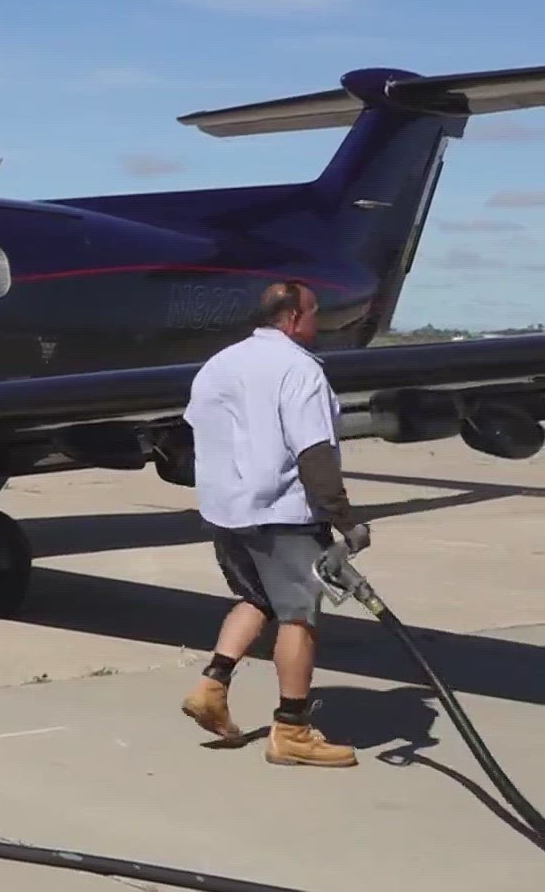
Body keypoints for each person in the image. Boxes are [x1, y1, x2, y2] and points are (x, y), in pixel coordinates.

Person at [178, 280, 373, 767]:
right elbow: (314, 451)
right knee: (299, 616)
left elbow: (195, 428)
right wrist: (344, 519)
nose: (317, 321)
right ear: (291, 318)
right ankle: (292, 729)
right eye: (313, 312)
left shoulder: (219, 364)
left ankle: (211, 685)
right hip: (282, 513)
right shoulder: (298, 369)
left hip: (226, 510)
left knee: (257, 598)